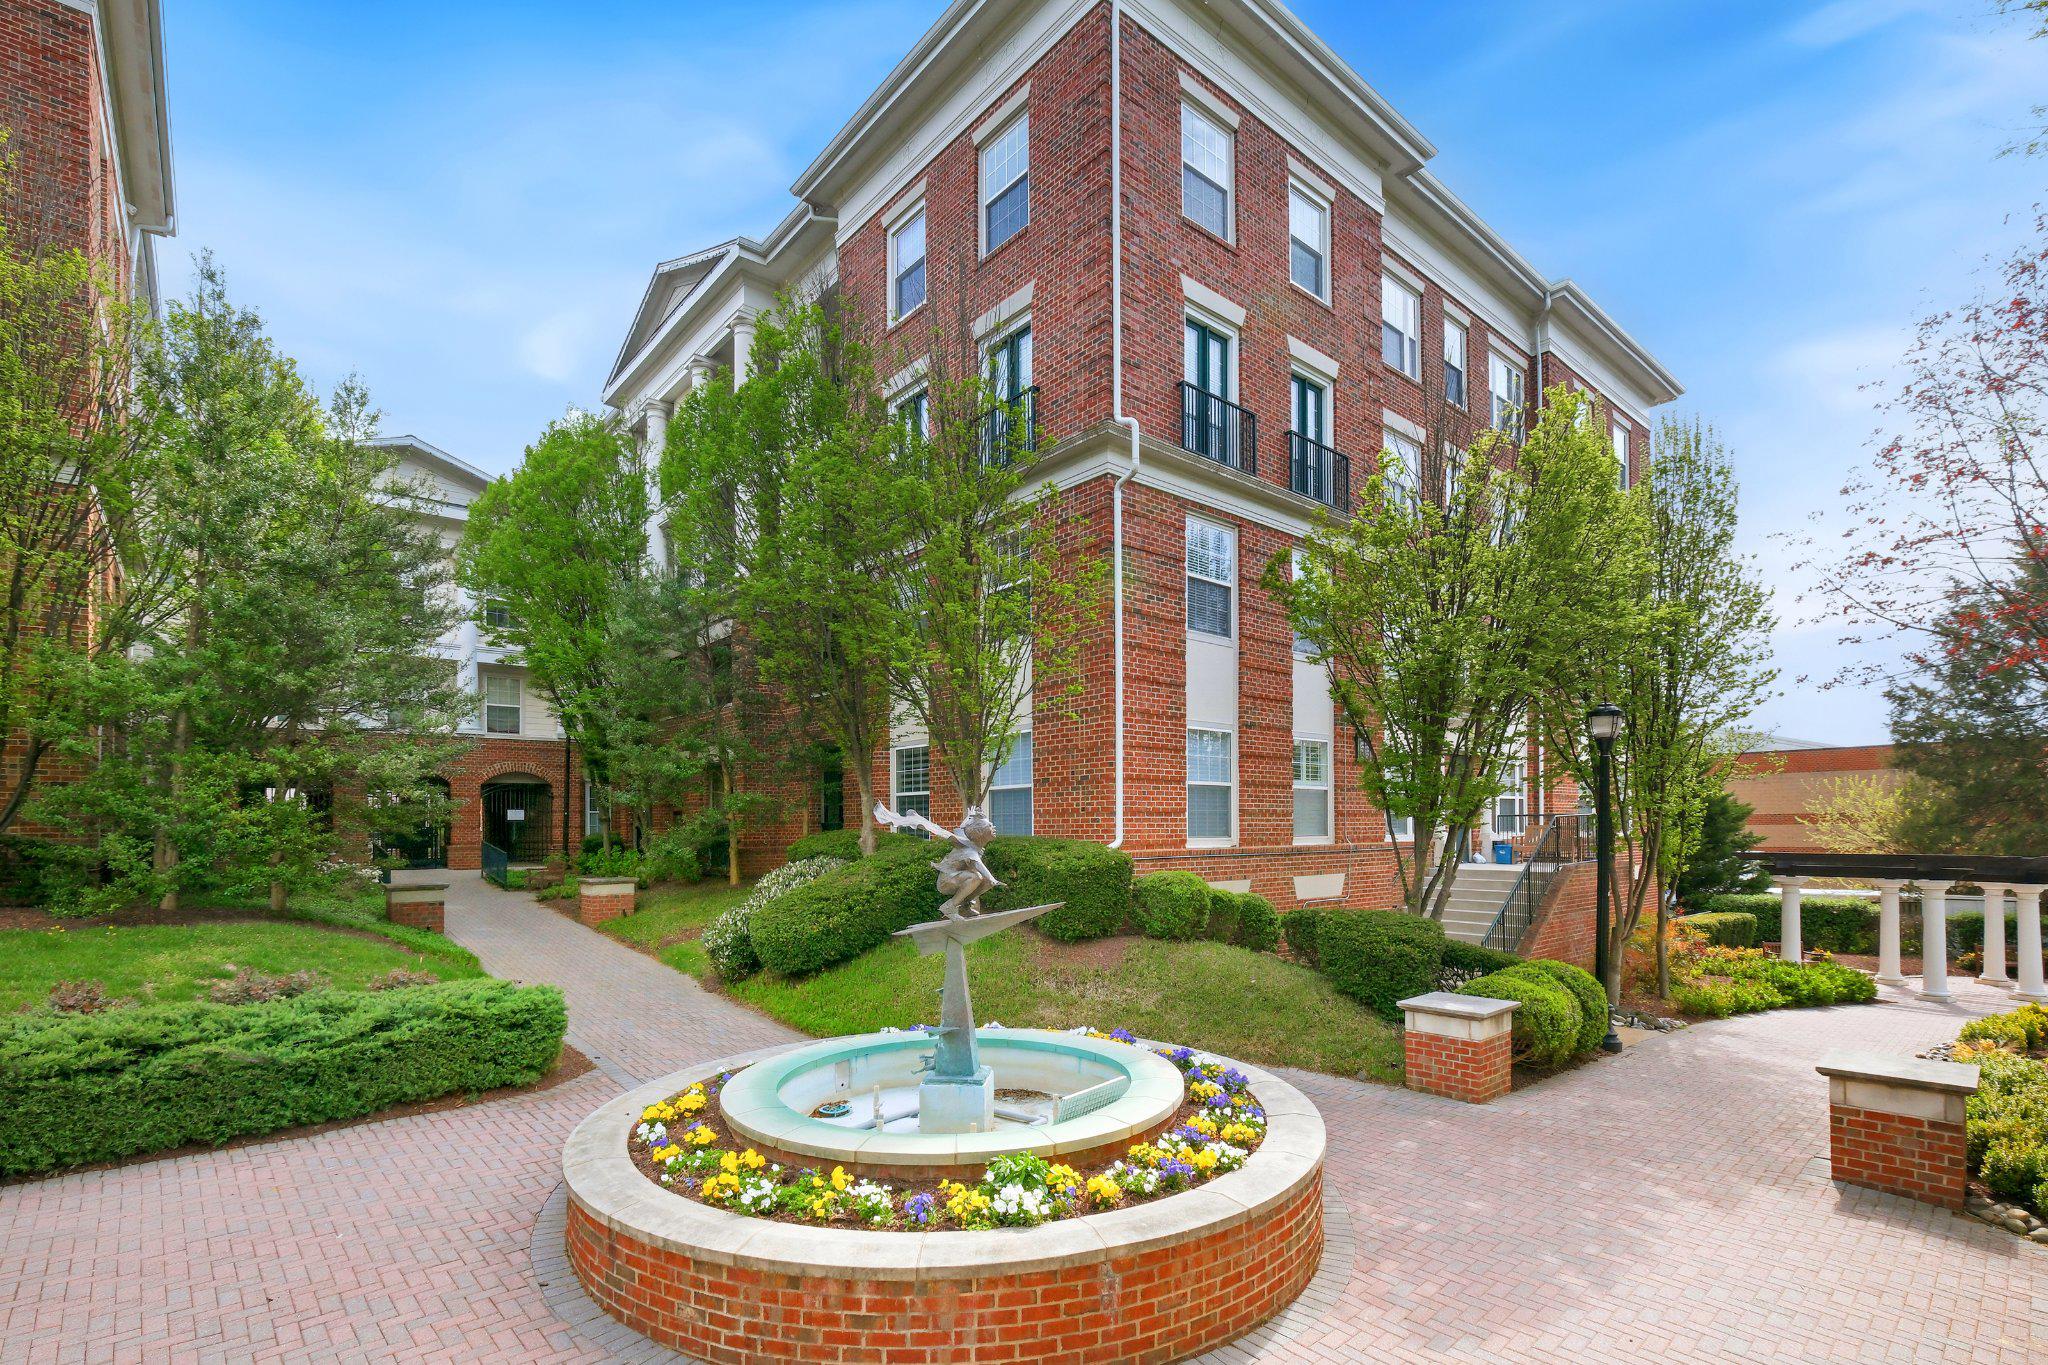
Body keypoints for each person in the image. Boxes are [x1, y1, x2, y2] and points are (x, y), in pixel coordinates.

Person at [872, 801, 1000, 919]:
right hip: (947, 880)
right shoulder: (969, 849)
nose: (993, 827)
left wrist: (971, 816)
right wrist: (993, 879)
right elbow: (979, 865)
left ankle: (965, 906)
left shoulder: (971, 843)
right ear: (980, 831)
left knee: (985, 881)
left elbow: (961, 829)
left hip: (957, 877)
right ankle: (949, 907)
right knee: (977, 877)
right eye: (989, 825)